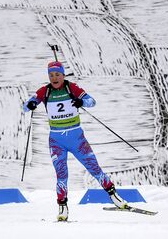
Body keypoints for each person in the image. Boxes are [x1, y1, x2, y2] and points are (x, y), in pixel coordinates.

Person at [23, 61, 129, 221]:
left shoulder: (70, 87)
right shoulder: (45, 91)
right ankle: (62, 208)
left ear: (63, 75)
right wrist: (31, 104)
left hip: (77, 139)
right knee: (61, 174)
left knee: (94, 168)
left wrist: (81, 101)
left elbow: (92, 101)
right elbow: (25, 106)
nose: (54, 78)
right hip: (56, 141)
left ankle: (114, 196)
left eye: (57, 74)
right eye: (51, 75)